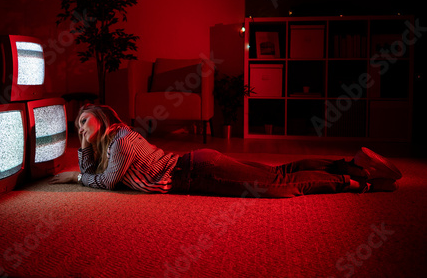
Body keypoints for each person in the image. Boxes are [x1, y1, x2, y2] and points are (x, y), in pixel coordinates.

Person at [49, 104, 402, 198]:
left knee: (279, 186)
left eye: (84, 121)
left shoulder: (121, 139)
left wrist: (78, 177)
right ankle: (353, 164)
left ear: (101, 118)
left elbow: (106, 182)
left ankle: (359, 182)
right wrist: (82, 151)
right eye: (78, 125)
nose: (80, 128)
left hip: (195, 171)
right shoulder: (110, 143)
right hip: (196, 167)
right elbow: (97, 170)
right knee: (278, 172)